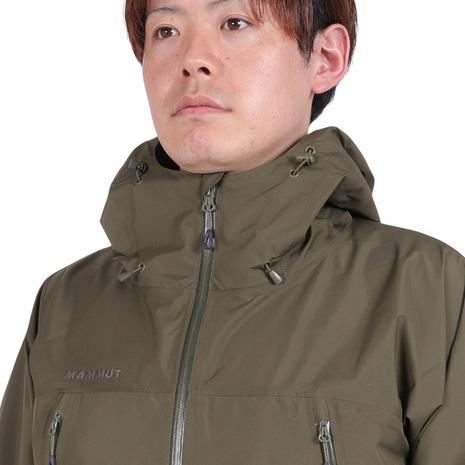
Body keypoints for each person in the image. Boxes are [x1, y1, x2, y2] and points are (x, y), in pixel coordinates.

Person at [0, 0, 464, 464]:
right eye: (166, 30)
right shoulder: (66, 304)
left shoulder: (423, 290)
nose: (192, 59)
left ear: (326, 58)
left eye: (235, 23)